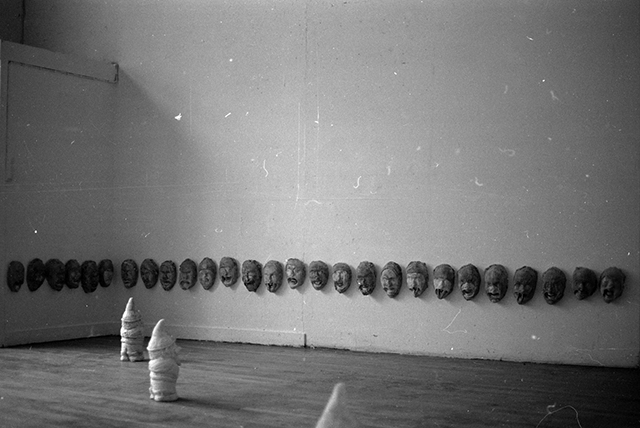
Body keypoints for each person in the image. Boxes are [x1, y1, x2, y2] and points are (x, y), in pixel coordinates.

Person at [147, 319, 180, 402]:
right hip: (167, 390)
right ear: (167, 350)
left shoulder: (152, 363)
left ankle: (155, 394)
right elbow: (174, 374)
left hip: (154, 389)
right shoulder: (170, 363)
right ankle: (167, 395)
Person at [120, 297, 145, 362]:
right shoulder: (124, 329)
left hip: (132, 343)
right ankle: (128, 355)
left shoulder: (138, 328)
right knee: (127, 350)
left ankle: (130, 355)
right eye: (126, 323)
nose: (128, 325)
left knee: (130, 350)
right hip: (128, 343)